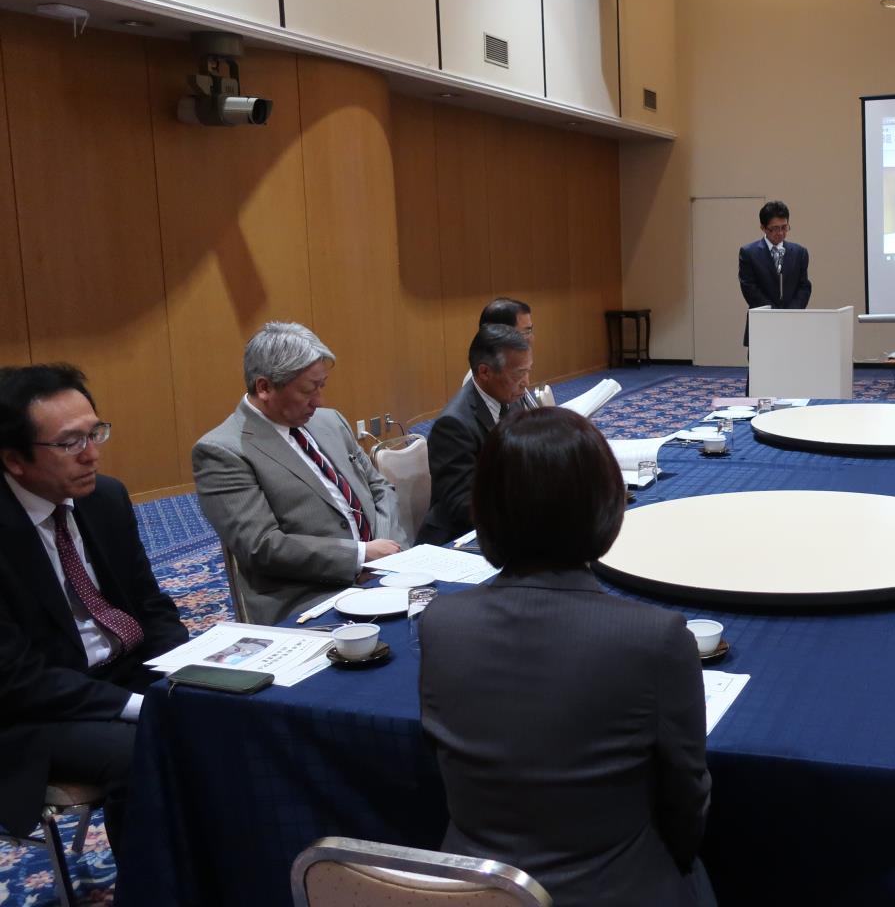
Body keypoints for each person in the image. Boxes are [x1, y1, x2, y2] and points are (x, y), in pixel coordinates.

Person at [419, 408, 714, 906]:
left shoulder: (440, 624)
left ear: (486, 508)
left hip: (475, 889)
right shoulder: (654, 638)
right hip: (615, 887)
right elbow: (687, 801)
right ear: (605, 506)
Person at [0, 364, 188, 851]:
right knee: (147, 748)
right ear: (14, 459)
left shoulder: (105, 497)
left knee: (230, 711)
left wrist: (184, 672)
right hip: (33, 713)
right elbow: (17, 679)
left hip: (119, 670)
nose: (92, 455)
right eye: (69, 443)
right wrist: (138, 706)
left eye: (95, 433)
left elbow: (151, 605)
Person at [193, 322, 406, 625]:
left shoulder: (329, 422)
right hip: (311, 597)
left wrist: (387, 550)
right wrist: (359, 556)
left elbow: (379, 487)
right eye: (308, 390)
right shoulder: (222, 451)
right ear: (264, 387)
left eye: (322, 385)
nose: (319, 401)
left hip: (385, 571)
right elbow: (262, 546)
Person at [417, 324, 533, 545]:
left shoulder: (512, 400)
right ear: (485, 372)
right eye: (520, 373)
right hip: (457, 538)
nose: (526, 382)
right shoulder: (453, 425)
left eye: (528, 371)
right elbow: (462, 504)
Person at [738, 200, 812, 346]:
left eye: (784, 227)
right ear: (763, 228)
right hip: (763, 321)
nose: (781, 233)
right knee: (761, 367)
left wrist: (791, 312)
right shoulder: (749, 253)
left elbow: (804, 286)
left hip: (792, 321)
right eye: (775, 228)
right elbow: (749, 288)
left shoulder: (800, 252)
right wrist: (774, 313)